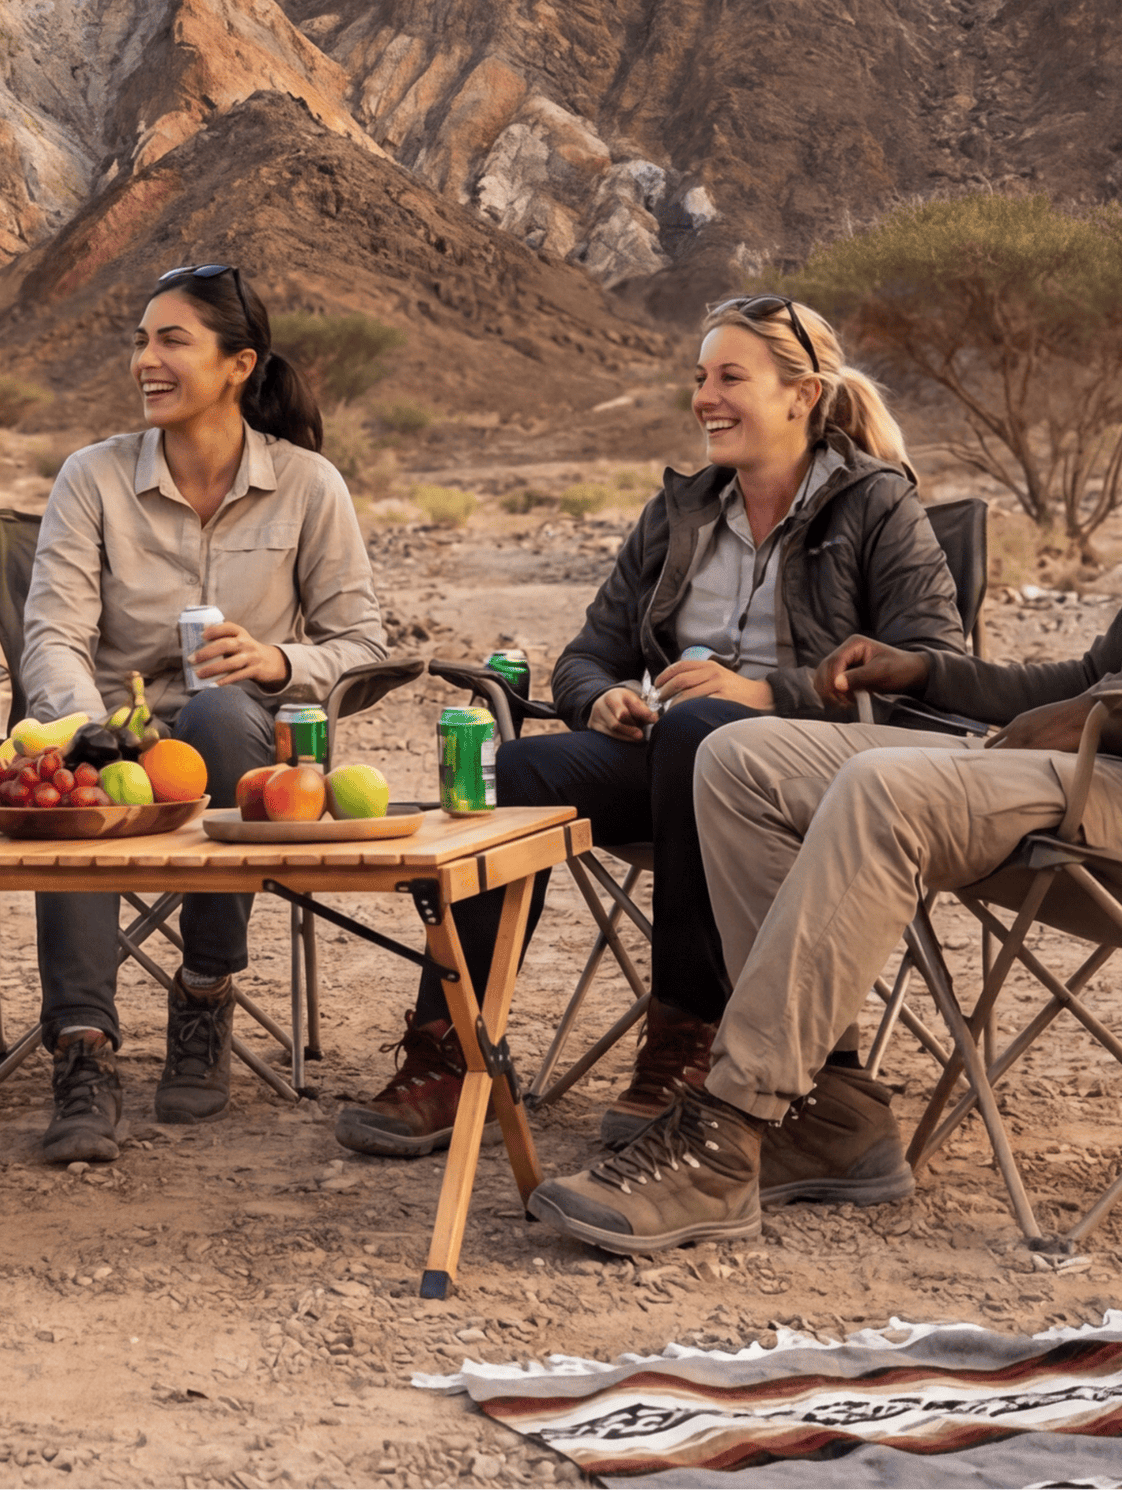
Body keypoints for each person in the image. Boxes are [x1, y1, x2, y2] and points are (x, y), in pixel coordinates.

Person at [530, 238, 1122, 1254]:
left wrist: (1115, 718)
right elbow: (1093, 676)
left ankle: (728, 1129)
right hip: (1106, 774)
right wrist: (928, 675)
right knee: (737, 758)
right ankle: (831, 1113)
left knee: (884, 788)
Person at [339, 296, 963, 1161]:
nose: (705, 398)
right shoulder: (681, 515)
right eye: (700, 379)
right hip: (675, 757)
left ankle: (690, 1033)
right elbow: (585, 654)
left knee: (702, 726)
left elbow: (932, 661)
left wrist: (761, 695)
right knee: (517, 772)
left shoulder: (877, 507)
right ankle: (454, 1051)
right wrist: (598, 700)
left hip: (816, 769)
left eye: (730, 378)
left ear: (802, 395)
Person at [17, 262, 387, 1164]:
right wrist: (92, 731)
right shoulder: (92, 478)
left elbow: (365, 646)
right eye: (141, 340)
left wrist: (277, 661)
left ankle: (205, 995)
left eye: (171, 340)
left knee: (223, 713)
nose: (146, 359)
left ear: (237, 364)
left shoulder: (308, 486)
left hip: (244, 750)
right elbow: (51, 638)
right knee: (70, 760)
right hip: (116, 745)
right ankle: (83, 1054)